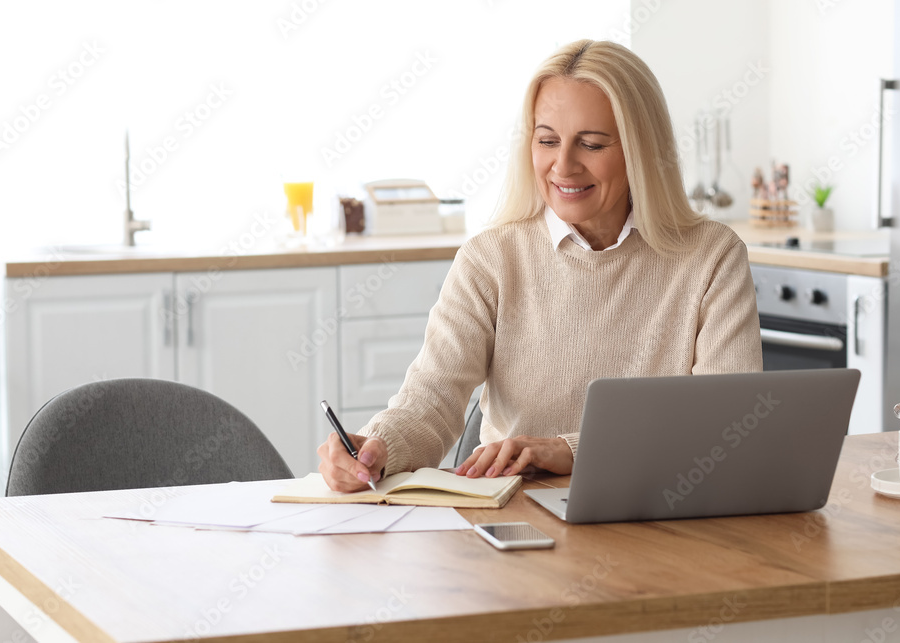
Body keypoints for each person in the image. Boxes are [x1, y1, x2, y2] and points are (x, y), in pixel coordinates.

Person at [317, 40, 762, 492]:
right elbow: (431, 400)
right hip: (520, 517)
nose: (563, 166)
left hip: (666, 510)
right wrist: (376, 449)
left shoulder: (711, 257)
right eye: (547, 140)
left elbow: (727, 425)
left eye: (590, 144)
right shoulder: (491, 259)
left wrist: (570, 449)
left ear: (640, 150)